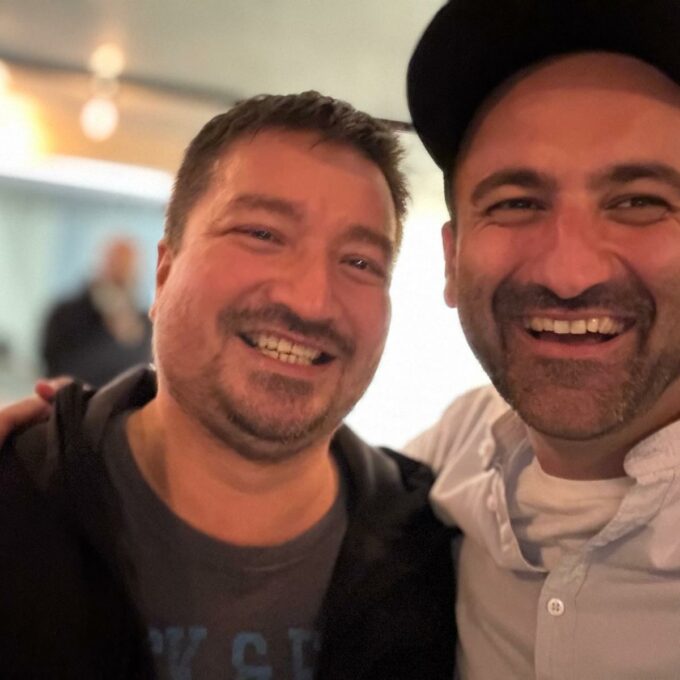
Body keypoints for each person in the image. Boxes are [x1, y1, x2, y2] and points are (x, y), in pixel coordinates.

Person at [0, 92, 456, 679]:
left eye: (360, 262)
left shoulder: (437, 552)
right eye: (262, 234)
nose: (311, 300)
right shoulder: (20, 498)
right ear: (164, 273)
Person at [404, 0, 680, 678]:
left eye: (640, 201)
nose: (569, 274)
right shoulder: (450, 454)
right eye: (516, 204)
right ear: (452, 260)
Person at [41, 236, 152, 386]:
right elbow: (56, 367)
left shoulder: (143, 323)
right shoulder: (66, 314)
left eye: (129, 269)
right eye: (116, 264)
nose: (123, 274)